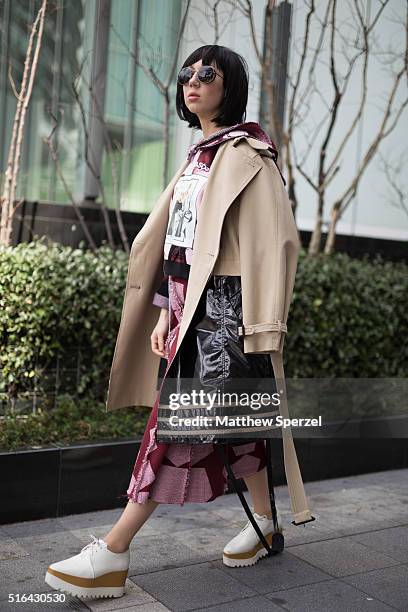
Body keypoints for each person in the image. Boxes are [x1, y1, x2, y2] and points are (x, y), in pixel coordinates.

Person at [45, 44, 313, 600]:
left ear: (228, 85)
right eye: (186, 75)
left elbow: (276, 243)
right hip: (192, 313)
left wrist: (260, 323)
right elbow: (181, 244)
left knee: (173, 430)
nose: (193, 83)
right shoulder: (200, 156)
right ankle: (264, 523)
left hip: (225, 318)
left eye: (206, 75)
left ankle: (114, 553)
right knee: (236, 422)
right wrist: (168, 309)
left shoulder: (247, 157)